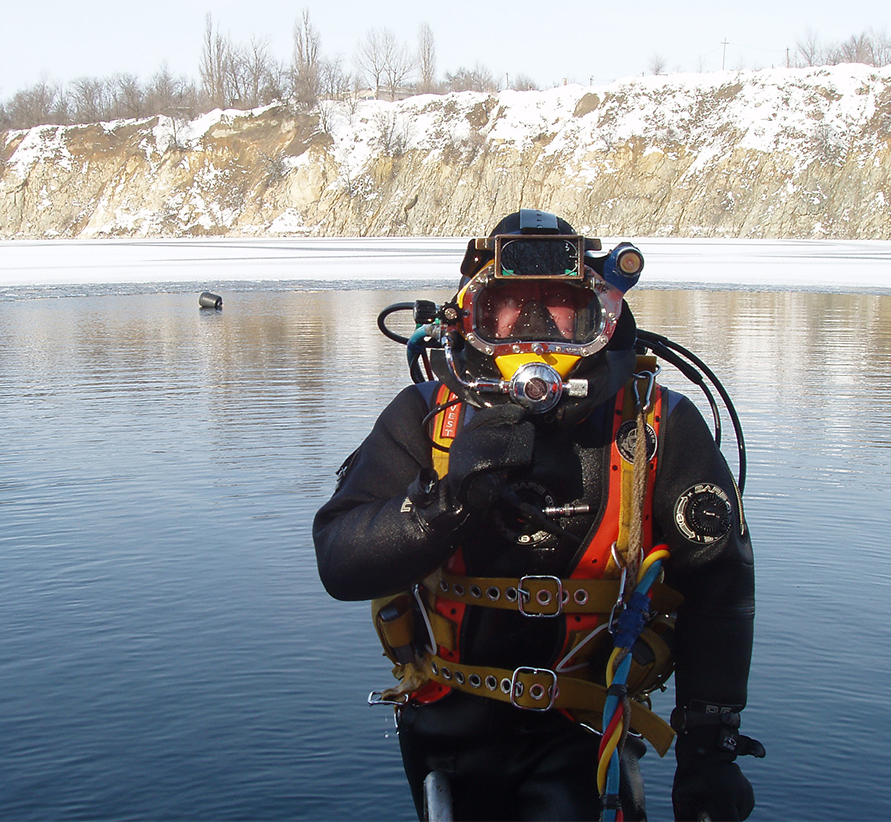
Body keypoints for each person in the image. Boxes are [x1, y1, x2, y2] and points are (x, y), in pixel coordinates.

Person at [313, 210, 761, 821]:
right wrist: (447, 504)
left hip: (584, 729)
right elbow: (340, 560)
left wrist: (710, 750)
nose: (533, 329)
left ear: (599, 319)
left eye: (559, 307)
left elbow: (718, 582)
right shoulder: (428, 416)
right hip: (448, 728)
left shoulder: (654, 425)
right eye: (510, 307)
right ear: (471, 318)